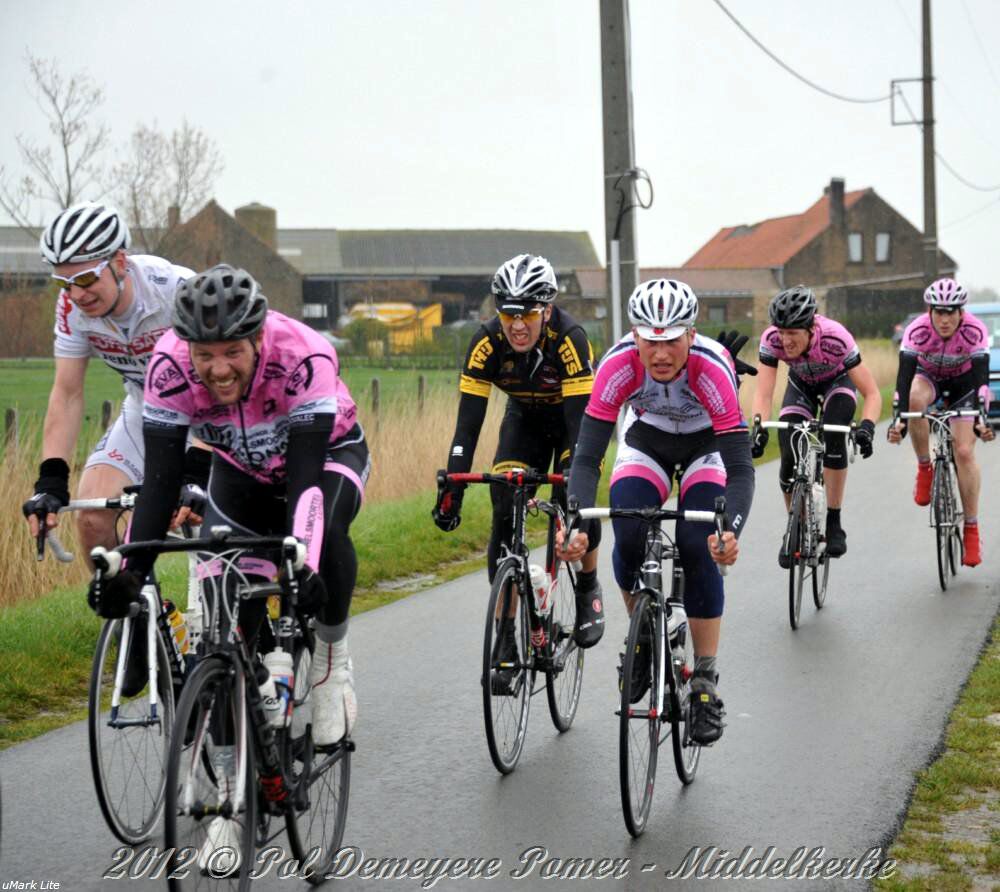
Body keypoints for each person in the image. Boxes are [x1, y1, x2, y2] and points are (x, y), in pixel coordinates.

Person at [87, 264, 369, 754]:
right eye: (205, 355)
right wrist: (132, 571)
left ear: (258, 339)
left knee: (325, 537)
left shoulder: (303, 354)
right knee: (225, 624)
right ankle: (238, 745)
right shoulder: (168, 367)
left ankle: (330, 662)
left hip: (325, 458)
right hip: (242, 471)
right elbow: (161, 482)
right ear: (186, 347)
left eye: (232, 352)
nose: (218, 370)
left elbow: (305, 484)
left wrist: (304, 562)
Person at [560, 279, 755, 746]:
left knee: (698, 544)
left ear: (691, 335)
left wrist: (730, 531)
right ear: (635, 336)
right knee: (628, 529)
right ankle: (644, 634)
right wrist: (576, 520)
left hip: (706, 445)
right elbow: (586, 458)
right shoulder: (617, 365)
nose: (661, 353)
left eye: (672, 341)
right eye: (650, 340)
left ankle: (705, 680)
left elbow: (741, 470)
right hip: (647, 439)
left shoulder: (711, 368)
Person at [432, 253, 606, 654]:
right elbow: (467, 427)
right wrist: (453, 488)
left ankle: (588, 585)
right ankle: (506, 630)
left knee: (576, 499)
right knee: (504, 501)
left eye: (527, 314)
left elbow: (581, 428)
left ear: (546, 309)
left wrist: (578, 490)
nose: (517, 325)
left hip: (574, 421)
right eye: (508, 314)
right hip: (525, 420)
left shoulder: (569, 338)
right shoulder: (486, 343)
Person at [21, 201, 208, 565]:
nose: (77, 294)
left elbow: (223, 384)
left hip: (209, 414)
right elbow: (67, 392)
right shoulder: (71, 308)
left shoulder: (177, 290)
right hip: (146, 408)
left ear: (120, 262)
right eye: (64, 283)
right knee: (93, 518)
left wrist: (198, 466)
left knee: (210, 526)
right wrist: (51, 478)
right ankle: (125, 600)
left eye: (86, 279)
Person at [749, 286, 881, 565]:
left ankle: (834, 521)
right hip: (801, 386)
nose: (785, 340)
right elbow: (763, 393)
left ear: (811, 328)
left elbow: (872, 393)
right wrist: (758, 429)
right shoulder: (771, 340)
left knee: (834, 432)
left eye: (792, 333)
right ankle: (794, 527)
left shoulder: (836, 338)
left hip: (837, 384)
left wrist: (868, 426)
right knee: (788, 450)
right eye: (781, 332)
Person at [888, 277, 994, 566]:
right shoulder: (917, 330)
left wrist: (981, 419)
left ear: (961, 312)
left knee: (964, 451)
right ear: (930, 311)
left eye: (951, 312)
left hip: (965, 385)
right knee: (914, 399)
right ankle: (925, 467)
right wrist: (899, 421)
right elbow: (903, 380)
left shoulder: (974, 330)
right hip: (928, 379)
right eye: (939, 312)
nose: (944, 319)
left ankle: (971, 529)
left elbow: (982, 381)